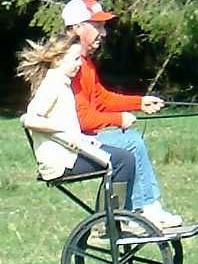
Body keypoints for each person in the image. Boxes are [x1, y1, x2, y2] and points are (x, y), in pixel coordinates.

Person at [61, 0, 182, 228]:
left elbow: (101, 99)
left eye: (103, 27)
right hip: (71, 144)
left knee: (130, 139)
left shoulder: (85, 64)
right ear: (77, 28)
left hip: (80, 139)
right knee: (132, 143)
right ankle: (143, 210)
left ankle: (141, 210)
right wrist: (120, 119)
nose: (103, 33)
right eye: (97, 26)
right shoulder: (70, 66)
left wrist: (139, 103)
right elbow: (83, 119)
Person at [18, 36, 136, 210]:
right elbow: (29, 118)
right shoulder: (52, 85)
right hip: (61, 162)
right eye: (74, 59)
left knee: (122, 157)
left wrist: (78, 137)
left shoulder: (61, 84)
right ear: (58, 60)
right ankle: (107, 223)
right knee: (123, 160)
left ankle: (110, 219)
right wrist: (63, 128)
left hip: (69, 154)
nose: (79, 64)